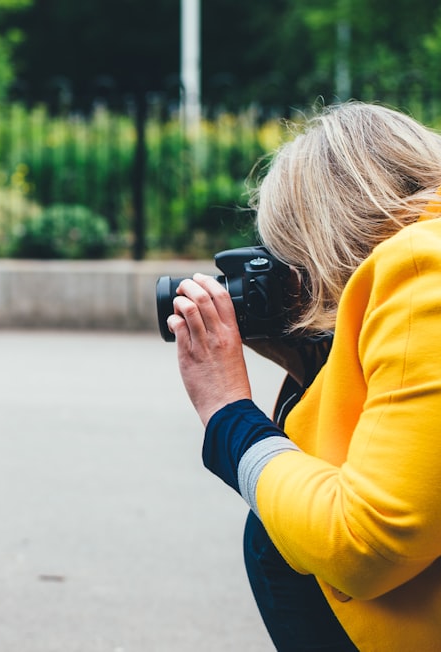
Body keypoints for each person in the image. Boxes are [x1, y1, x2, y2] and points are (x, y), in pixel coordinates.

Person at [167, 100, 441, 651]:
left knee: (283, 528)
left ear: (322, 236)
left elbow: (369, 546)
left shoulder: (419, 262)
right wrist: (312, 363)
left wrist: (227, 413)